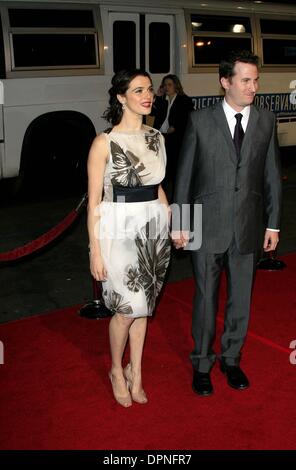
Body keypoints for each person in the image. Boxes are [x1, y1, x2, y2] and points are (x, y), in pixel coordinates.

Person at [172, 50, 282, 396]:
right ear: (226, 82)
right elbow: (185, 175)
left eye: (255, 80)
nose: (254, 87)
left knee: (240, 300)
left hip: (248, 224)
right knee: (206, 299)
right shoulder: (200, 120)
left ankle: (231, 358)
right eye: (246, 80)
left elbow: (272, 176)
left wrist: (273, 225)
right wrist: (180, 222)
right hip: (206, 224)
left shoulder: (266, 120)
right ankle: (202, 363)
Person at [87, 69, 171, 407]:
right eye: (138, 90)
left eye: (149, 89)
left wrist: (173, 223)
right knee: (125, 309)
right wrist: (95, 251)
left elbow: (157, 187)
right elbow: (93, 202)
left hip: (153, 228)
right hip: (117, 230)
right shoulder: (103, 142)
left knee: (143, 308)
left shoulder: (156, 136)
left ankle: (137, 371)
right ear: (121, 98)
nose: (147, 95)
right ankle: (115, 370)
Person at [151, 74, 194, 197]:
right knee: (162, 168)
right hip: (161, 137)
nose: (167, 87)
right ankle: (162, 192)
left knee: (173, 169)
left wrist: (175, 127)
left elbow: (187, 119)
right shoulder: (163, 100)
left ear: (176, 86)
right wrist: (158, 97)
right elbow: (152, 112)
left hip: (175, 138)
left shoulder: (184, 100)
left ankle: (175, 194)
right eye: (165, 85)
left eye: (169, 84)